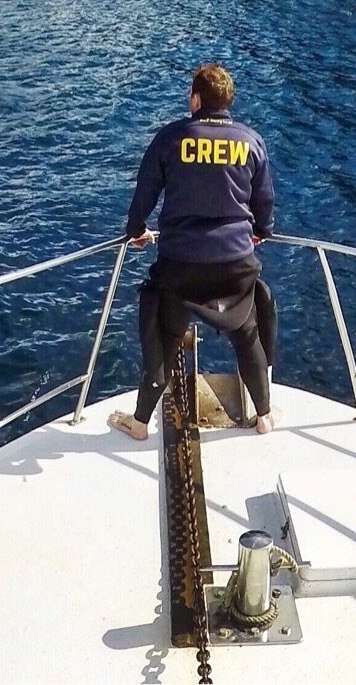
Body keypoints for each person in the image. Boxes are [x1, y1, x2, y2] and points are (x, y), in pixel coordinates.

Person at [109, 62, 278, 441]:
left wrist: (136, 231)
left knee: (165, 340)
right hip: (234, 266)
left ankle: (139, 423)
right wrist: (260, 232)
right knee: (247, 332)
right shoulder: (251, 141)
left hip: (181, 267)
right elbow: (264, 200)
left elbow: (145, 195)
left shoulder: (171, 138)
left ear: (196, 99)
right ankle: (264, 415)